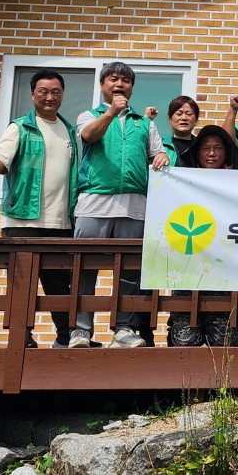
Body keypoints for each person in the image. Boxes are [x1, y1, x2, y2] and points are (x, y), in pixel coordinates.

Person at [0, 68, 79, 348]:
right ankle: (22, 338)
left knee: (60, 285)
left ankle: (65, 336)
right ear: (32, 94)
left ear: (62, 95)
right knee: (23, 284)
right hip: (23, 219)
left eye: (55, 92)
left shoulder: (70, 130)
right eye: (43, 91)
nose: (49, 97)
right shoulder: (20, 127)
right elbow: (0, 157)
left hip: (60, 221)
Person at [71, 62, 170, 349]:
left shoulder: (144, 123)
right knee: (85, 268)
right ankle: (80, 331)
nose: (120, 84)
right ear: (103, 86)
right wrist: (112, 112)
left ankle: (124, 329)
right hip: (94, 205)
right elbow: (89, 136)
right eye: (113, 79)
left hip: (135, 207)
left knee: (129, 271)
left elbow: (158, 152)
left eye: (125, 80)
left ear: (131, 87)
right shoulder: (89, 115)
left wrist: (161, 158)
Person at [166, 125, 238, 348]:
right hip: (186, 263)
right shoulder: (182, 179)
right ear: (197, 152)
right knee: (185, 340)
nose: (212, 153)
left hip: (224, 265)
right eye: (206, 148)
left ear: (226, 153)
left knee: (223, 341)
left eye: (218, 148)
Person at [151, 96, 200, 167]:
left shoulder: (202, 147)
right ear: (170, 119)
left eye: (189, 114)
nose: (184, 118)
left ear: (196, 120)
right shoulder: (159, 147)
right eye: (179, 114)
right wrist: (147, 120)